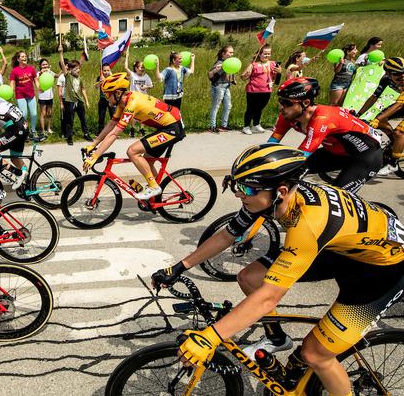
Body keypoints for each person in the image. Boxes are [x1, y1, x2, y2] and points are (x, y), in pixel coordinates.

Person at [152, 143, 404, 396]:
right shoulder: (272, 197)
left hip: (381, 273)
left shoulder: (307, 224)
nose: (240, 194)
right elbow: (227, 235)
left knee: (315, 355)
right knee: (250, 277)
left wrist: (210, 337)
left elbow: (270, 296)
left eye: (247, 188)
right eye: (236, 185)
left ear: (281, 190)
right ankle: (276, 339)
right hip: (343, 251)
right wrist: (179, 266)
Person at [270, 77, 382, 193]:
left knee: (338, 197)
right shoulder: (287, 115)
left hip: (366, 157)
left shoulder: (322, 119)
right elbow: (270, 144)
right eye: (280, 101)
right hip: (338, 153)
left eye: (287, 103)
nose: (281, 107)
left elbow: (302, 155)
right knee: (291, 172)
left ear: (306, 103)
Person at [85, 72, 185, 200]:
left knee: (132, 151)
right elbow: (112, 124)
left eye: (107, 94)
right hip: (166, 126)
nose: (105, 97)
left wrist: (95, 155)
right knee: (147, 161)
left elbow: (115, 133)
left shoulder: (132, 103)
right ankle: (155, 196)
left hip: (172, 128)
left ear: (117, 93)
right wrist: (93, 144)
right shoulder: (124, 102)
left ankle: (154, 187)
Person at [356, 57, 404, 176]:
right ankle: (394, 145)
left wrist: (377, 120)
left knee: (399, 133)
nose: (402, 76)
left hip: (401, 103)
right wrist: (358, 114)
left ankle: (393, 164)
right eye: (397, 74)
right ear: (388, 73)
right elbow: (374, 97)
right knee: (380, 119)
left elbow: (399, 105)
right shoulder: (386, 79)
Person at [240, 44, 281, 135]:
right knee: (251, 109)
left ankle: (256, 125)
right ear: (260, 54)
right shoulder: (253, 64)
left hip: (266, 90)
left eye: (269, 54)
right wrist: (247, 74)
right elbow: (243, 77)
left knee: (259, 108)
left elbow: (277, 80)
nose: (267, 56)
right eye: (265, 53)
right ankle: (246, 126)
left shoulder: (273, 64)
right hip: (253, 91)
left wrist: (279, 73)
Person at [58, 46, 91, 146]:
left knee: (83, 119)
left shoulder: (79, 78)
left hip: (79, 101)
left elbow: (83, 89)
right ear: (70, 69)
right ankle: (70, 136)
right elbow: (63, 65)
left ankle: (86, 134)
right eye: (75, 69)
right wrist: (60, 53)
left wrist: (87, 101)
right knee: (70, 120)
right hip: (70, 102)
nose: (78, 70)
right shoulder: (67, 76)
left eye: (78, 68)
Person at [9, 51, 39, 139]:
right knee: (24, 115)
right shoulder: (14, 71)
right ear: (18, 59)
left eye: (25, 56)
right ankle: (25, 132)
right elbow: (12, 83)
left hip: (31, 95)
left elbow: (36, 80)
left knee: (34, 114)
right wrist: (11, 91)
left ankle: (33, 131)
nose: (24, 58)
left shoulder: (31, 69)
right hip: (20, 96)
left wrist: (39, 87)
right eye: (22, 56)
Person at [124, 49, 153, 137]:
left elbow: (151, 85)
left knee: (143, 114)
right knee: (133, 114)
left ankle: (142, 129)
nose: (142, 69)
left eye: (143, 67)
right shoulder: (133, 75)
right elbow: (125, 67)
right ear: (136, 68)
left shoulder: (146, 76)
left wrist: (146, 87)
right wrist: (127, 56)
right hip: (134, 98)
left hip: (143, 98)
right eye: (140, 67)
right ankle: (132, 129)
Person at [207, 45, 235, 133]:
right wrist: (216, 70)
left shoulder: (230, 62)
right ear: (223, 53)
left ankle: (224, 125)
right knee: (216, 106)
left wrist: (233, 80)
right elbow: (210, 74)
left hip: (226, 86)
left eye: (232, 52)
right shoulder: (220, 62)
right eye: (229, 52)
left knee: (228, 106)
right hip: (219, 87)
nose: (231, 54)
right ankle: (212, 126)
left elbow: (231, 71)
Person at [36, 58, 55, 136]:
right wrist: (41, 73)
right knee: (43, 113)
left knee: (49, 113)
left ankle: (48, 129)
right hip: (42, 97)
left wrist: (63, 68)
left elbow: (58, 75)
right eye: (43, 64)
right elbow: (36, 80)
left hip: (50, 96)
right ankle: (43, 130)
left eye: (46, 64)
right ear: (40, 66)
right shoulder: (38, 73)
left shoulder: (50, 72)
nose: (45, 66)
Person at [94, 64, 115, 135]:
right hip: (102, 99)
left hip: (111, 100)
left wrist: (108, 79)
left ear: (110, 70)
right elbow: (96, 87)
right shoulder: (100, 77)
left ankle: (114, 132)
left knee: (113, 116)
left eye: (108, 70)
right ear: (101, 71)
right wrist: (99, 82)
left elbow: (115, 86)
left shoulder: (112, 77)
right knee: (101, 117)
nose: (106, 72)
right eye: (104, 70)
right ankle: (100, 132)